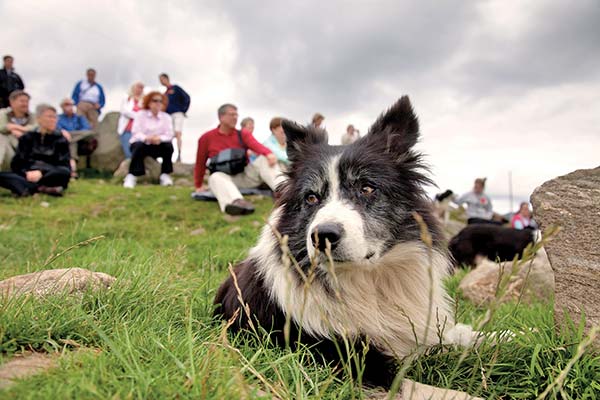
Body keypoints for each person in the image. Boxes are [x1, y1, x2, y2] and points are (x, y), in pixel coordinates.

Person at [194, 104, 282, 215]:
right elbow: (200, 163)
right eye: (232, 115)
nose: (235, 118)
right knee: (214, 177)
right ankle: (236, 203)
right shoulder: (206, 138)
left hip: (245, 176)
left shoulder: (242, 134)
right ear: (221, 117)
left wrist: (269, 154)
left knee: (264, 159)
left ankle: (285, 192)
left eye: (236, 115)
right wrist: (198, 185)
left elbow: (256, 145)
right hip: (225, 178)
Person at [0, 104, 70, 197]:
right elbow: (17, 163)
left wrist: (41, 172)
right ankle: (41, 188)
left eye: (55, 117)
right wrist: (27, 172)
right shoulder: (27, 137)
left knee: (63, 172)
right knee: (4, 175)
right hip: (28, 174)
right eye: (49, 116)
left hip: (49, 174)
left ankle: (27, 188)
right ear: (39, 119)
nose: (53, 120)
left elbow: (64, 164)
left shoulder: (61, 139)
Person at [123, 91, 174, 188]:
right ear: (149, 102)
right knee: (138, 146)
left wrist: (159, 138)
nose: (158, 103)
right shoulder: (140, 115)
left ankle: (165, 175)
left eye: (160, 101)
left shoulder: (166, 117)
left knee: (169, 146)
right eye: (155, 101)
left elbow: (169, 134)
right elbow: (136, 132)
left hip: (158, 144)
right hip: (143, 144)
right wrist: (147, 138)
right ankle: (132, 175)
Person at [57, 97, 96, 178]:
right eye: (66, 105)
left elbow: (86, 129)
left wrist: (71, 134)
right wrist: (64, 133)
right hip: (65, 141)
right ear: (62, 107)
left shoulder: (79, 117)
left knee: (90, 133)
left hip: (80, 141)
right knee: (71, 142)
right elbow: (58, 129)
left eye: (71, 105)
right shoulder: (59, 118)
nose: (69, 107)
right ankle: (73, 170)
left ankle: (72, 169)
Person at [0, 90, 36, 171]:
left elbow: (36, 128)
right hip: (9, 154)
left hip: (28, 156)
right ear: (11, 102)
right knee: (1, 137)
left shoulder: (33, 116)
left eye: (27, 101)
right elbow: (1, 127)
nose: (25, 104)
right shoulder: (3, 113)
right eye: (22, 101)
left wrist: (18, 129)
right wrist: (10, 131)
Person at [159, 73, 190, 162]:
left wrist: (183, 110)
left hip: (178, 114)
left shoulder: (176, 88)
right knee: (169, 135)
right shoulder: (165, 94)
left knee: (177, 133)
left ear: (166, 78)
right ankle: (169, 155)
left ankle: (179, 154)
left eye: (162, 79)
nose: (161, 82)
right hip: (168, 116)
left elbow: (187, 97)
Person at [117, 81, 144, 160]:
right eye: (138, 87)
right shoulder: (127, 98)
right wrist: (137, 116)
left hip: (139, 131)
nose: (139, 89)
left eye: (141, 88)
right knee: (128, 153)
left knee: (138, 152)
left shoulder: (144, 101)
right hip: (127, 129)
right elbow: (124, 111)